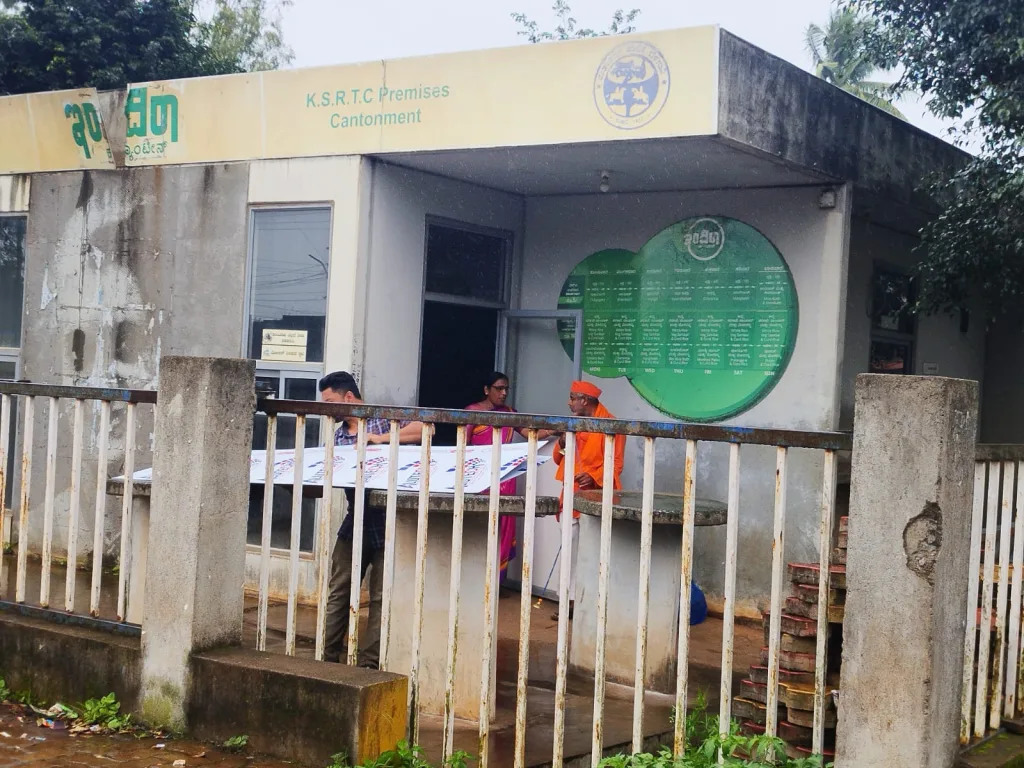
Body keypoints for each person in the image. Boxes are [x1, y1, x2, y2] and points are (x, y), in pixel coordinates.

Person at [319, 371, 427, 667]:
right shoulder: (338, 434)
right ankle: (326, 657)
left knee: (380, 596)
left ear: (349, 397)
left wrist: (379, 439)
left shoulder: (382, 419)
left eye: (330, 402)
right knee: (339, 589)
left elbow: (423, 430)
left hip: (388, 521)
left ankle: (368, 663)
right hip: (355, 519)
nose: (327, 409)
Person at [551, 380, 625, 620]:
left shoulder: (612, 425)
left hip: (595, 495)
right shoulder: (573, 425)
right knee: (570, 549)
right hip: (571, 493)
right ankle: (568, 601)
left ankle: (592, 600)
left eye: (573, 398)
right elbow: (560, 458)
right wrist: (562, 444)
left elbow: (616, 464)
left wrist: (593, 476)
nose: (569, 402)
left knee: (593, 550)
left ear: (585, 400)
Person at [465, 372, 526, 588]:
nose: (503, 393)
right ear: (486, 389)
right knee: (480, 526)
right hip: (480, 478)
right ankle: (476, 581)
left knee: (504, 528)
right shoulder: (472, 412)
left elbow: (530, 432)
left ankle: (496, 584)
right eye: (499, 388)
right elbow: (462, 443)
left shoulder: (510, 413)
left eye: (506, 389)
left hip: (506, 479)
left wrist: (561, 430)